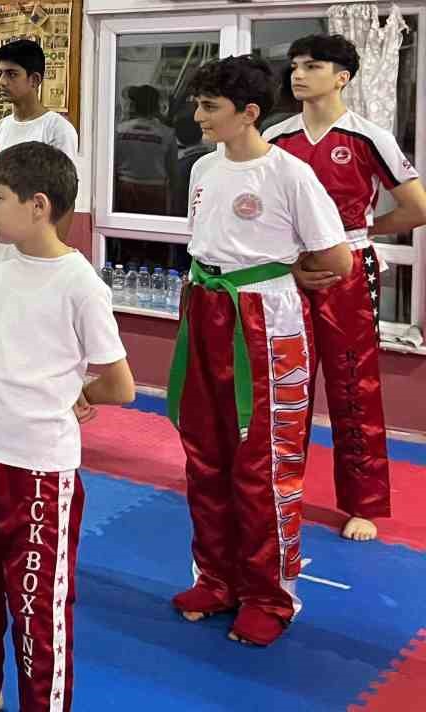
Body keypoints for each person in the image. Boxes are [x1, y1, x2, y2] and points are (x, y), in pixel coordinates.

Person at [0, 141, 135, 712]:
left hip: (38, 471)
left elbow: (120, 384)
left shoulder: (80, 283)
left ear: (39, 205)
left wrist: (80, 394)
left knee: (36, 609)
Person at [167, 55, 352, 647]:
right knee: (205, 454)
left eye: (210, 107)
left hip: (264, 321)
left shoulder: (289, 174)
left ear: (249, 113)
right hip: (205, 305)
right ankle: (217, 578)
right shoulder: (202, 168)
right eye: (197, 104)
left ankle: (270, 596)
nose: (198, 116)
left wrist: (286, 268)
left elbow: (339, 259)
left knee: (263, 464)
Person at [266, 33, 426, 543]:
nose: (298, 74)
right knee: (284, 385)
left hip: (350, 270)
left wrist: (362, 232)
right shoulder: (276, 138)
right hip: (289, 270)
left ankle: (362, 503)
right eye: (295, 64)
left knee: (354, 386)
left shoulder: (369, 137)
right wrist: (286, 261)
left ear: (342, 77)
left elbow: (417, 207)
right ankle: (275, 488)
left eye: (312, 66)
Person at [0, 39, 78, 278]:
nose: (2, 81)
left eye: (12, 74)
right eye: (0, 73)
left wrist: (53, 254)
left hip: (33, 248)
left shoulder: (57, 129)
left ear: (34, 80)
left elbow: (66, 197)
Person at [113, 85, 177, 215]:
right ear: (156, 106)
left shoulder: (119, 130)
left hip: (124, 187)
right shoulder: (167, 133)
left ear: (134, 105)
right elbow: (173, 170)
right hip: (155, 190)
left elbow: (112, 163)